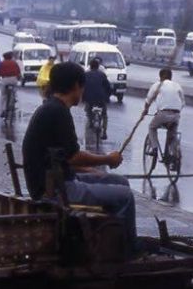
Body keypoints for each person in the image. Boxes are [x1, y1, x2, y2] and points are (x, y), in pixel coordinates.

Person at [21, 61, 136, 246]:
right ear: (76, 86)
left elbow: (62, 157)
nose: (82, 93)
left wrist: (91, 171)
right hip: (56, 189)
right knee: (126, 196)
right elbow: (73, 156)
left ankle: (106, 236)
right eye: (82, 87)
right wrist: (108, 158)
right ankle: (125, 249)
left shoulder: (51, 107)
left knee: (119, 182)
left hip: (55, 180)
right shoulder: (58, 112)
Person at [144, 67, 185, 160]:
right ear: (171, 77)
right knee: (172, 134)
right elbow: (183, 103)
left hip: (162, 114)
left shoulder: (158, 85)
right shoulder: (177, 85)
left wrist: (145, 110)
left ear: (161, 76)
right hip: (176, 115)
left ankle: (154, 148)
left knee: (152, 127)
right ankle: (174, 155)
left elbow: (148, 100)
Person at [83, 57, 112, 139]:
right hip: (101, 98)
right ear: (98, 66)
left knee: (88, 110)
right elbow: (108, 87)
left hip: (89, 98)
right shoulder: (102, 75)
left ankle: (91, 122)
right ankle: (105, 132)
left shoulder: (86, 75)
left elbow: (82, 87)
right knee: (104, 115)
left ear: (90, 66)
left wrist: (83, 98)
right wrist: (108, 96)